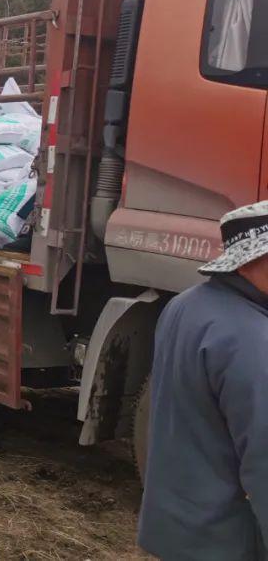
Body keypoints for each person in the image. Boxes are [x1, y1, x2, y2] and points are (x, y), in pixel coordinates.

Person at [138, 201, 268, 560]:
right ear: (247, 261)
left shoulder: (184, 305)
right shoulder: (250, 338)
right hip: (224, 541)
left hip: (174, 529)